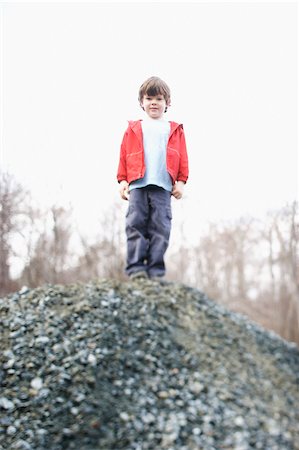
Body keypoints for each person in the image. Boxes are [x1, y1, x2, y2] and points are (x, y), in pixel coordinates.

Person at [117, 76, 189, 280]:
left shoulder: (174, 129)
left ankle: (156, 271)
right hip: (138, 185)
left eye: (158, 98)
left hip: (163, 186)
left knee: (161, 227)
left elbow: (183, 158)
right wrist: (123, 180)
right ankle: (136, 269)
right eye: (149, 99)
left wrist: (181, 182)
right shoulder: (133, 128)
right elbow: (123, 155)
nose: (154, 103)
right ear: (142, 102)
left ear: (167, 103)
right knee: (135, 224)